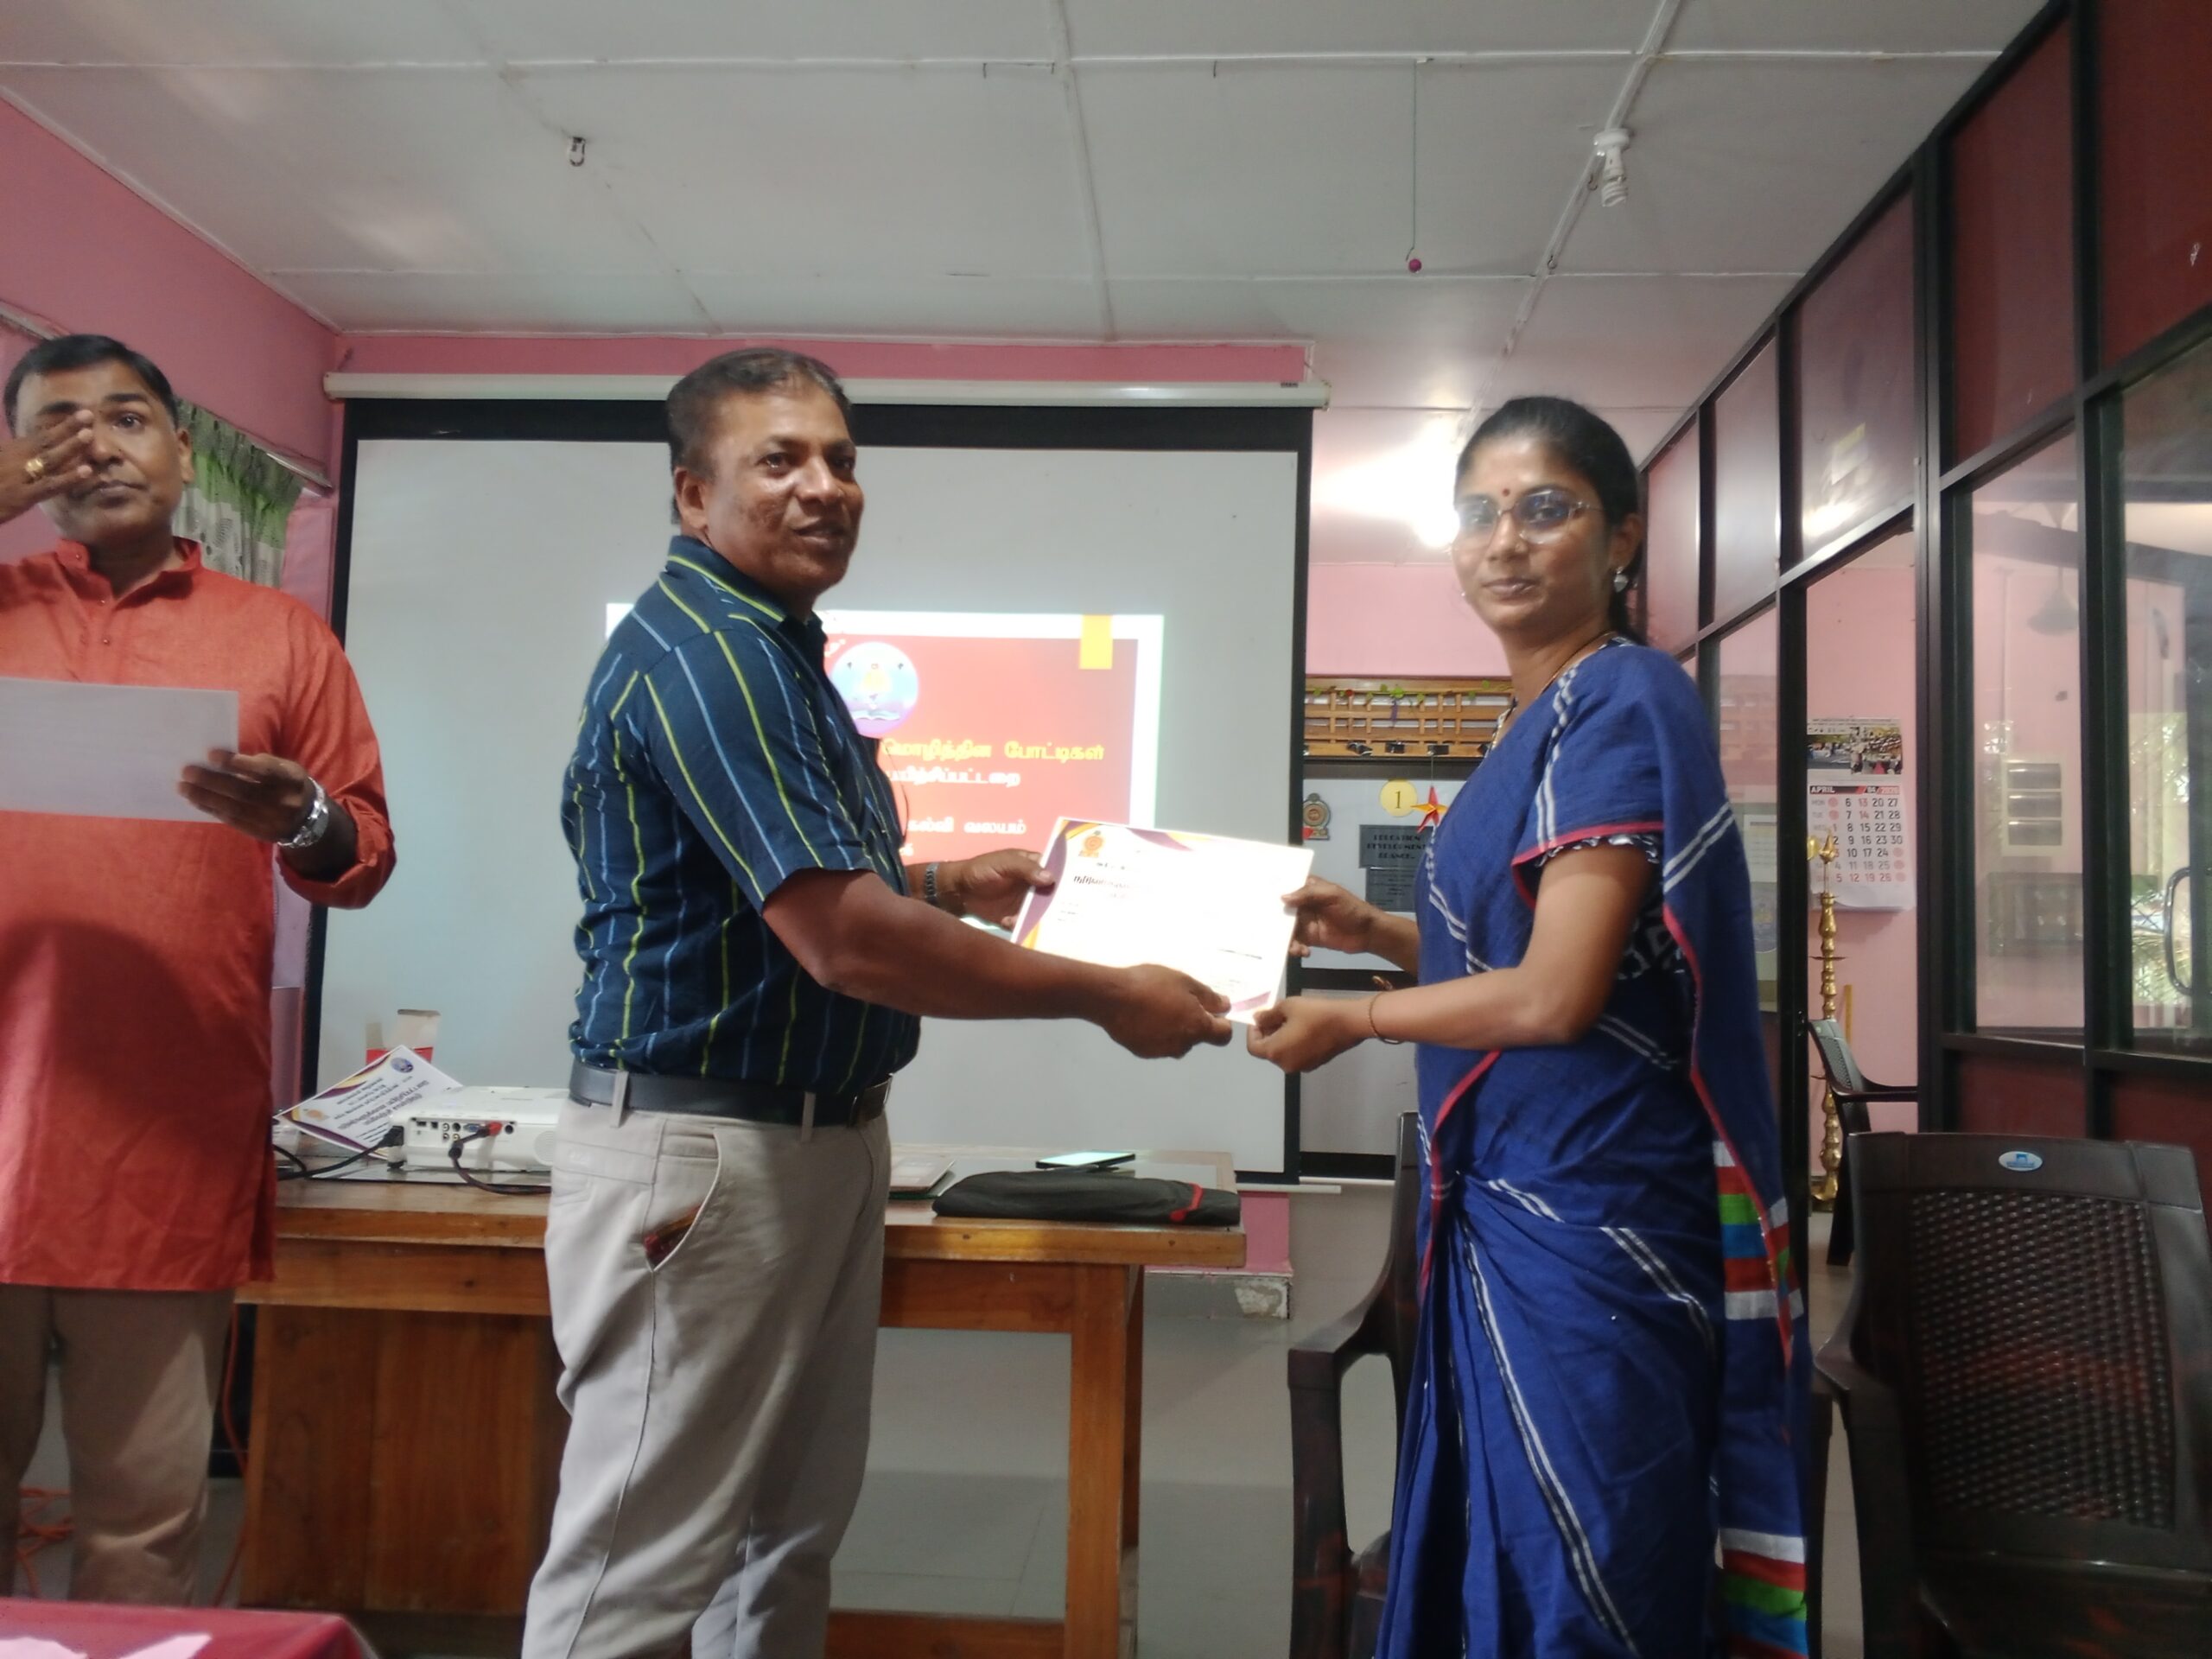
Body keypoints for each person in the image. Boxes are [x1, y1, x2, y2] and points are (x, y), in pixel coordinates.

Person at [524, 348, 1231, 1659]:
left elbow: (770, 889)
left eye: (841, 460)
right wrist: (1105, 998)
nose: (825, 487)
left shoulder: (777, 649)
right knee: (640, 1566)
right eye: (778, 460)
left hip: (814, 1140)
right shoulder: (712, 657)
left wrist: (947, 883)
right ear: (692, 495)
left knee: (782, 1537)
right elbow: (845, 940)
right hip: (710, 1154)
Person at [1249, 397, 1809, 1657]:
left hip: (1597, 1212)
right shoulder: (1533, 718)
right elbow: (1522, 957)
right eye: (1479, 513)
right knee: (1514, 1548)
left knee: (1592, 1558)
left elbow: (1555, 996)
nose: (1504, 540)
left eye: (1545, 509)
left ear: (1622, 538)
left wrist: (1357, 1018)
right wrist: (1371, 927)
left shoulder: (1620, 700)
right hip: (1514, 1196)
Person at [0, 334, 396, 1601]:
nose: (94, 447)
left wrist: (305, 819)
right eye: (56, 427)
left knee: (142, 1532)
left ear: (181, 449)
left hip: (160, 1147)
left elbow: (363, 850)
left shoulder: (278, 637)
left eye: (125, 419)